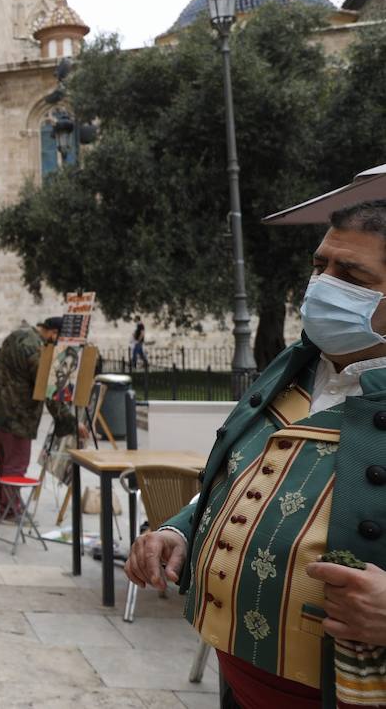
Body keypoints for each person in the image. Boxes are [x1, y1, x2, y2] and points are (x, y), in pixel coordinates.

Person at [125, 197, 386, 709]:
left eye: (351, 274)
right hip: (239, 683)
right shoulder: (292, 367)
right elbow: (244, 476)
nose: (324, 284)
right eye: (320, 266)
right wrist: (182, 528)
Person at [0, 317, 80, 517]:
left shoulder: (18, 334)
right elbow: (48, 389)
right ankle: (10, 509)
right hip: (17, 415)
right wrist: (68, 421)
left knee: (4, 461)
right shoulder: (37, 349)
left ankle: (3, 500)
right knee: (16, 463)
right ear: (53, 333)